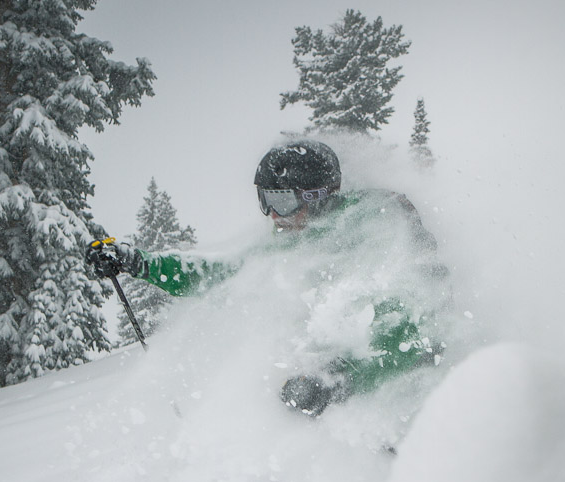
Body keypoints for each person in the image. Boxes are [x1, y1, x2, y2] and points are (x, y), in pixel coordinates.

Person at [85, 139, 450, 417]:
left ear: (318, 196)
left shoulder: (374, 226)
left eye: (284, 201)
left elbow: (411, 329)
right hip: (327, 400)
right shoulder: (289, 243)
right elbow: (215, 274)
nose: (274, 215)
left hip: (411, 398)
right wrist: (138, 263)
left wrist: (339, 378)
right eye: (266, 200)